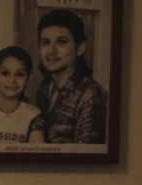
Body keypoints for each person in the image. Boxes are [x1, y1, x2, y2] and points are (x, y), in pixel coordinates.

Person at [27, 8, 108, 144]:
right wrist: (36, 130)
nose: (51, 51)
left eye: (61, 42)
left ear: (80, 48)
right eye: (46, 42)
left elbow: (87, 156)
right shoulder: (46, 86)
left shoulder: (91, 95)